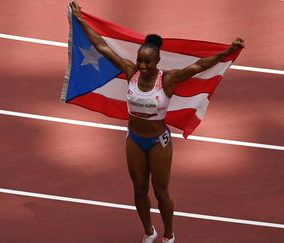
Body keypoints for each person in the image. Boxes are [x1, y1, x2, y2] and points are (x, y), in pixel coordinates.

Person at [70, 2, 244, 243]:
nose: (142, 65)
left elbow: (198, 66)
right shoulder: (131, 72)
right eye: (140, 60)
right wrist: (80, 20)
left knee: (161, 192)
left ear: (158, 60)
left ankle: (169, 234)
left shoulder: (168, 80)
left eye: (148, 62)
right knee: (139, 190)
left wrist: (226, 53)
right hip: (134, 139)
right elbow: (100, 46)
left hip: (157, 142)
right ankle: (149, 231)